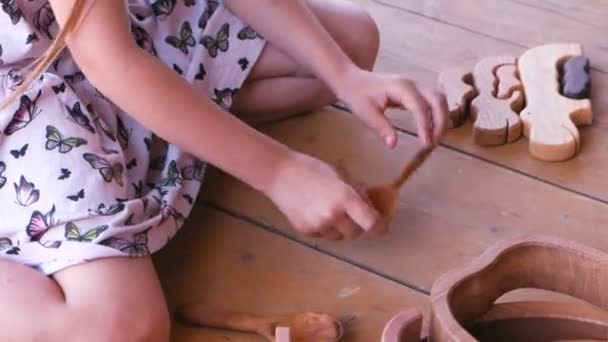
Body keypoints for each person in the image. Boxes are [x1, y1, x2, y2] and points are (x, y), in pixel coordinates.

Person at [0, 0, 447, 340]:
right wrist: (280, 171)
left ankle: (156, 124)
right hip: (23, 81)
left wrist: (344, 74)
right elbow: (109, 60)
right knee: (121, 326)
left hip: (92, 26)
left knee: (350, 43)